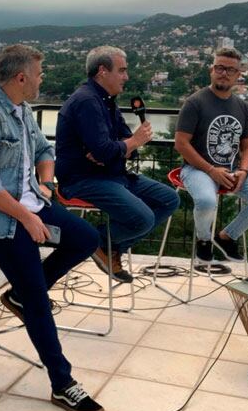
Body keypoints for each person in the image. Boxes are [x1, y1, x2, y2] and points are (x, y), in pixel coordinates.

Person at [0, 44, 104, 411]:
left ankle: (21, 293)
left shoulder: (21, 111)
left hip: (29, 203)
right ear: (21, 78)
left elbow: (43, 151)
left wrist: (48, 187)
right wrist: (27, 217)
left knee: (86, 238)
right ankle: (62, 383)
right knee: (39, 299)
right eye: (39, 74)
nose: (42, 79)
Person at [55, 46, 180, 282]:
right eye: (122, 71)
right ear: (102, 71)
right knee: (143, 218)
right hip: (83, 179)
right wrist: (131, 142)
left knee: (169, 199)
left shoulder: (107, 101)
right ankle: (95, 240)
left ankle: (110, 248)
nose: (126, 77)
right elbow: (108, 149)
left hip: (112, 173)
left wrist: (121, 148)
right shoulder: (86, 101)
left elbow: (117, 149)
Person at [174, 48, 248, 263]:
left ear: (238, 75)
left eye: (230, 70)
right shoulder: (195, 102)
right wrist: (211, 170)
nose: (224, 73)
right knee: (205, 201)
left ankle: (227, 236)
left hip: (233, 170)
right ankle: (204, 240)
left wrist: (243, 170)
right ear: (211, 70)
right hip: (198, 169)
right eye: (220, 68)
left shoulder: (242, 107)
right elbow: (181, 144)